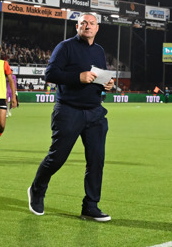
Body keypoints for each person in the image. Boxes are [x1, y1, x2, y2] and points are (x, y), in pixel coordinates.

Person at [28, 12, 115, 221]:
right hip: (68, 110)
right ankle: (37, 190)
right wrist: (78, 77)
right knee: (57, 157)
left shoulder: (99, 51)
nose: (88, 26)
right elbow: (50, 74)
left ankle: (90, 206)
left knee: (96, 160)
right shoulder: (65, 47)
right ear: (77, 27)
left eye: (92, 23)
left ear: (97, 28)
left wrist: (107, 85)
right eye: (83, 23)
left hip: (94, 112)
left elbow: (96, 78)